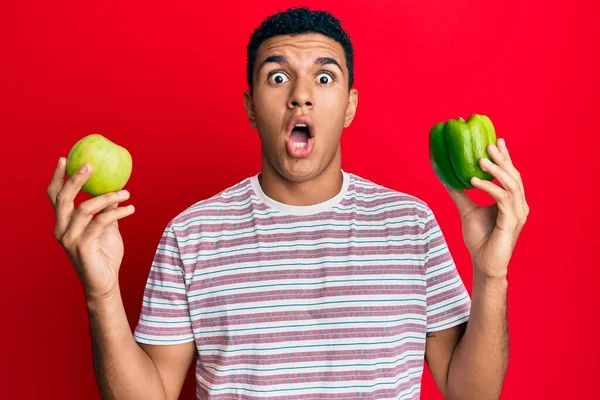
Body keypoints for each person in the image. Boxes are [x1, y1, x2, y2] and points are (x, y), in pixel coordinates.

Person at [46, 7, 529, 400]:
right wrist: (102, 294)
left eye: (323, 79)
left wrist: (491, 274)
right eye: (278, 78)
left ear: (350, 105)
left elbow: (473, 394)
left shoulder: (410, 225)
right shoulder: (192, 234)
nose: (301, 96)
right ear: (252, 105)